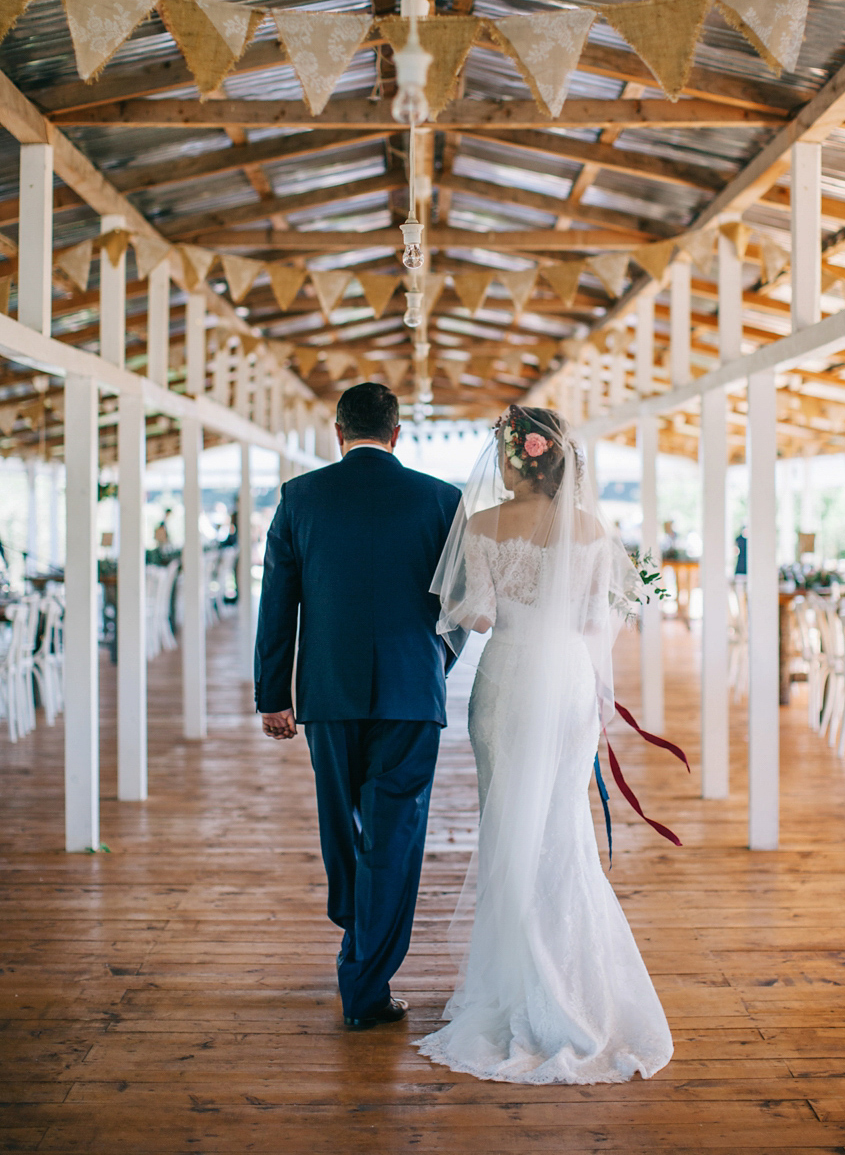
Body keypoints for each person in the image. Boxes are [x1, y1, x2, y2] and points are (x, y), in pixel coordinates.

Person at [418, 405, 674, 1084]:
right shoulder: (592, 531)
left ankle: (517, 985)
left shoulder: (481, 525)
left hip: (505, 679)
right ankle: (575, 985)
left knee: (507, 826)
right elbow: (599, 620)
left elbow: (475, 614)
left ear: (514, 457)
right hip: (565, 684)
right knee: (564, 830)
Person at [254, 383, 462, 1030]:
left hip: (327, 695)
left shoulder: (299, 498)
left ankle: (360, 960)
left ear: (337, 432)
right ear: (397, 434)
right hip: (411, 697)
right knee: (396, 833)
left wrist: (274, 695)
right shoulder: (442, 499)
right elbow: (459, 610)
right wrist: (435, 666)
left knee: (342, 832)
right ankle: (367, 968)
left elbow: (277, 601)